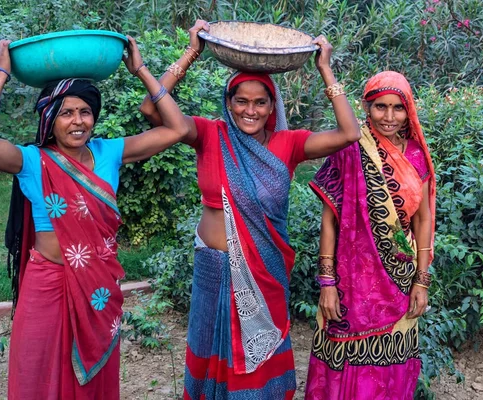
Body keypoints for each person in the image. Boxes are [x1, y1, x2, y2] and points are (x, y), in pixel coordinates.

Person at [139, 19, 361, 400]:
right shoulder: (210, 135)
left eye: (260, 102)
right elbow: (152, 109)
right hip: (213, 268)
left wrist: (326, 68)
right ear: (228, 104)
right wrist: (191, 53)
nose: (250, 110)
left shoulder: (289, 144)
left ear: (272, 106)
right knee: (212, 358)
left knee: (259, 368)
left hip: (264, 273)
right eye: (241, 101)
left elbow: (349, 133)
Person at [0, 36, 189, 399]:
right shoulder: (33, 161)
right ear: (50, 119)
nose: (77, 121)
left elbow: (178, 129)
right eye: (66, 113)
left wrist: (140, 70)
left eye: (85, 111)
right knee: (37, 370)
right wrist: (0, 76)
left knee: (92, 379)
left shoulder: (109, 152)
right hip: (46, 286)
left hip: (97, 288)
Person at [304, 71, 436, 399]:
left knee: (391, 367)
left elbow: (423, 222)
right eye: (380, 106)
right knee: (342, 362)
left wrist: (421, 282)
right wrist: (327, 284)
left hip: (399, 283)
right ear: (367, 107)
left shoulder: (416, 157)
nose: (389, 116)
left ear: (408, 111)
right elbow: (330, 221)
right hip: (349, 283)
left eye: (397, 108)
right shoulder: (349, 149)